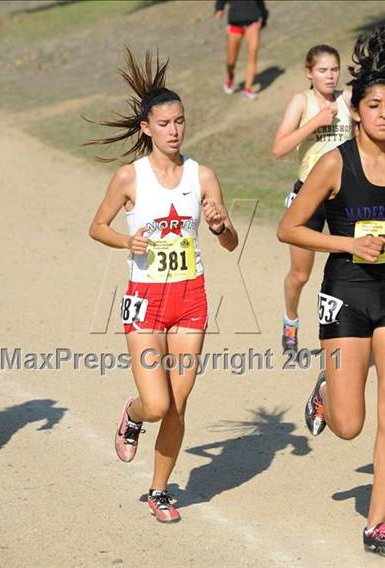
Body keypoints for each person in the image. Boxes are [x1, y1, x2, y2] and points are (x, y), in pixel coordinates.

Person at [87, 49, 238, 523]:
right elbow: (97, 226)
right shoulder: (129, 177)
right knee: (156, 402)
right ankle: (132, 416)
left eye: (180, 121)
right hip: (145, 302)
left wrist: (218, 224)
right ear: (146, 128)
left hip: (190, 298)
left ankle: (159, 490)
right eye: (165, 122)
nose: (175, 130)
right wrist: (123, 239)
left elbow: (230, 243)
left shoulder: (203, 176)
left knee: (178, 403)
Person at [277, 25, 385, 556]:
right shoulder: (332, 163)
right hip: (345, 292)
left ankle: (378, 522)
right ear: (358, 111)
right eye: (375, 104)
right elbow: (289, 228)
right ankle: (328, 388)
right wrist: (348, 243)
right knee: (347, 425)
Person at [272, 45, 353, 352]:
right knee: (301, 274)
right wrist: (315, 122)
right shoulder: (301, 101)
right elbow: (279, 149)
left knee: (355, 264)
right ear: (309, 73)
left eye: (334, 69)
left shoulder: (347, 100)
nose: (329, 76)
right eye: (322, 70)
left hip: (345, 198)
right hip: (308, 195)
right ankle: (290, 320)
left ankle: (352, 329)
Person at [214, 0, 268, 99]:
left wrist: (263, 17)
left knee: (253, 53)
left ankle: (248, 89)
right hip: (235, 21)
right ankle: (230, 77)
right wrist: (219, 8)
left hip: (253, 20)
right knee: (231, 61)